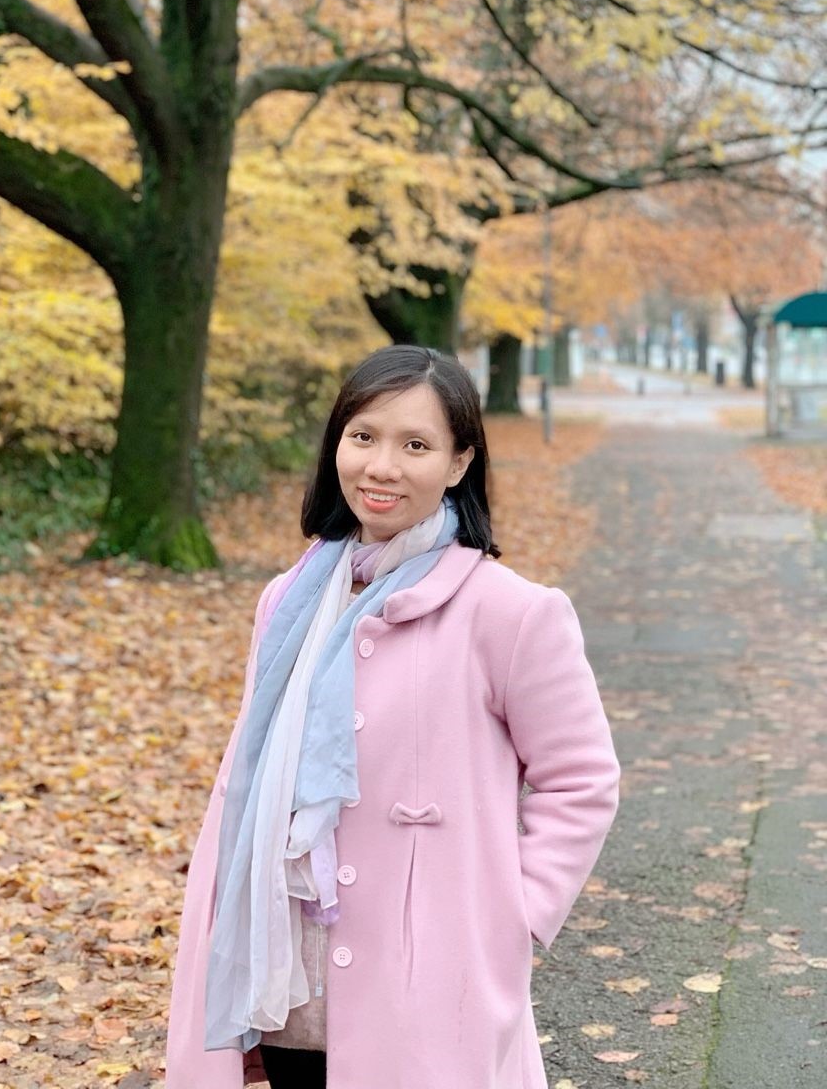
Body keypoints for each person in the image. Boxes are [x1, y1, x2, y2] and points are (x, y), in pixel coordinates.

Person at [164, 345, 620, 1089]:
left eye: (415, 445)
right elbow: (253, 760)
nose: (381, 467)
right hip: (283, 965)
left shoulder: (510, 612)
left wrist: (513, 914)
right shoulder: (289, 599)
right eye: (364, 437)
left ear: (459, 462)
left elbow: (582, 780)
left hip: (425, 972)